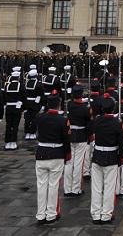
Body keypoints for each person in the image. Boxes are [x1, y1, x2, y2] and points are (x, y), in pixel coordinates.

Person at [89, 96, 123, 224]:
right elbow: (122, 142)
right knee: (109, 187)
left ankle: (96, 214)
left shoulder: (97, 121)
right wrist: (122, 157)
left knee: (97, 187)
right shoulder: (118, 123)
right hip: (111, 157)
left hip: (98, 155)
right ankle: (106, 214)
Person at [34, 93, 69, 225]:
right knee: (53, 186)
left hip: (42, 153)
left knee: (41, 186)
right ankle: (51, 214)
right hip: (56, 153)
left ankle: (41, 214)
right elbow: (66, 139)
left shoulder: (40, 117)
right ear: (59, 104)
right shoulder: (62, 120)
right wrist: (67, 155)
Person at [64, 85, 91, 196]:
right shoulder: (85, 108)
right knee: (78, 163)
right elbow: (89, 124)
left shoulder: (69, 105)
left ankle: (67, 188)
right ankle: (76, 188)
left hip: (70, 135)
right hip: (81, 136)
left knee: (69, 162)